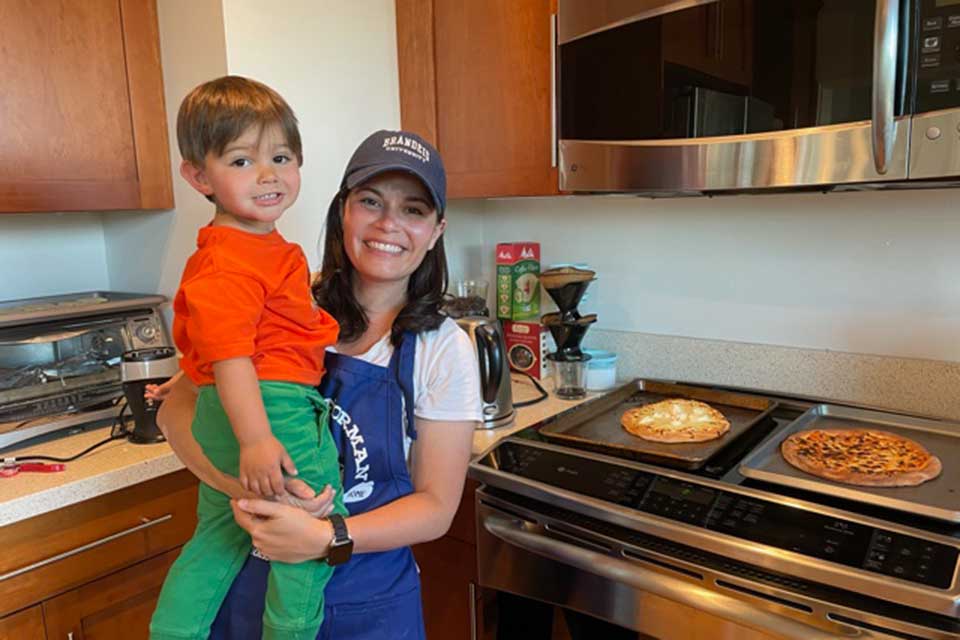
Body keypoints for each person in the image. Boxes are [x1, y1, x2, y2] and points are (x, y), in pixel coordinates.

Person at [155, 129, 482, 639]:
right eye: (370, 201)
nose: (388, 224)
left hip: (370, 603)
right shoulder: (279, 303)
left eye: (413, 210)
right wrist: (245, 490)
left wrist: (323, 536)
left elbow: (437, 507)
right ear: (342, 212)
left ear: (436, 230)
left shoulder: (443, 348)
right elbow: (174, 412)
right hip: (254, 587)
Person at [149, 76, 346, 640]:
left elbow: (222, 345)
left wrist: (189, 379)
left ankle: (173, 632)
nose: (268, 175)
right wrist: (258, 439)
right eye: (241, 160)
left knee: (217, 535)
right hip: (271, 407)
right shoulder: (233, 260)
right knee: (313, 521)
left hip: (230, 408)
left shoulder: (249, 251)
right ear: (197, 175)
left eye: (281, 157)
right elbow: (234, 356)